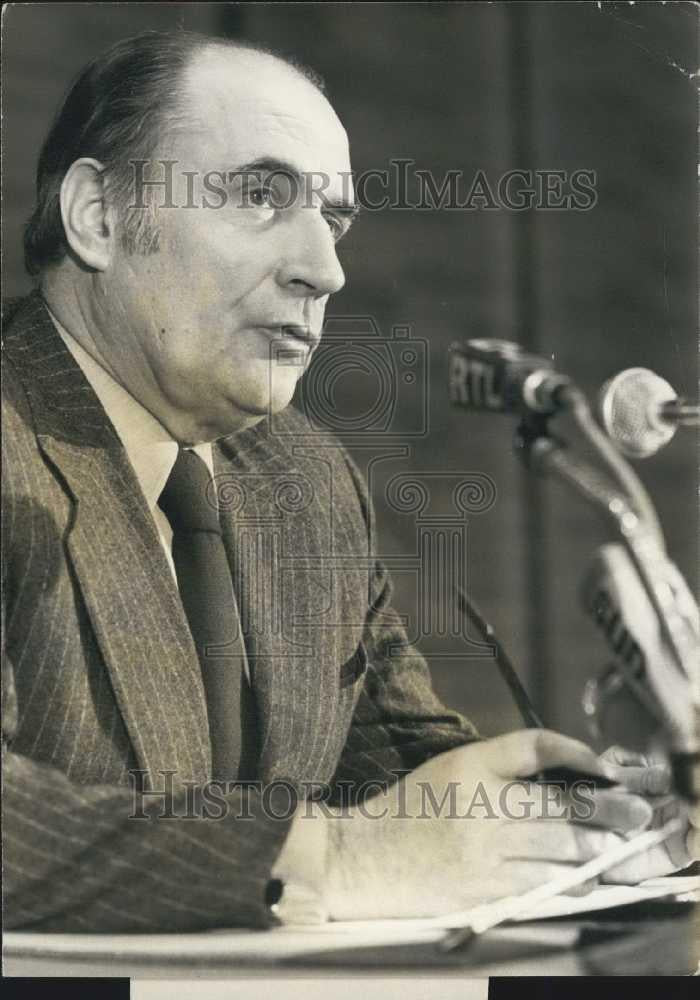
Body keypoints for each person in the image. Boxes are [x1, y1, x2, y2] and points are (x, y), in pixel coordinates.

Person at [2, 30, 695, 934]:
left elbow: (404, 777)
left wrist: (609, 822)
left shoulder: (303, 476)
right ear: (97, 215)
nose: (325, 271)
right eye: (261, 196)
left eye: (333, 221)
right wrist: (340, 860)